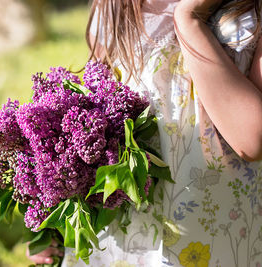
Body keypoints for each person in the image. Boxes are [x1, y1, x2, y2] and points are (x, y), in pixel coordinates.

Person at [27, 0, 262, 266]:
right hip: (131, 243)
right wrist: (52, 223)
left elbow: (252, 139)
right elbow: (93, 125)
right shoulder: (119, 6)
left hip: (222, 235)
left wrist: (189, 19)